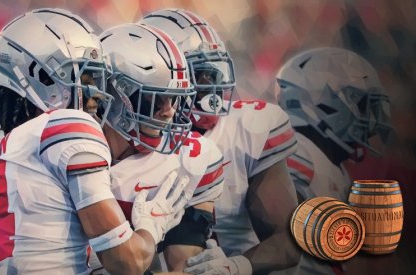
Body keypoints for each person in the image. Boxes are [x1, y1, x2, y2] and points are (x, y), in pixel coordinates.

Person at [0, 9, 191, 274]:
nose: (97, 91)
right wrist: (151, 227)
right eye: (85, 76)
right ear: (40, 75)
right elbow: (126, 262)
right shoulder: (70, 128)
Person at [140, 9, 300, 275]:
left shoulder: (247, 128)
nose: (210, 86)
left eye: (212, 73)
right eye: (197, 74)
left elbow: (290, 239)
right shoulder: (128, 136)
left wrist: (236, 266)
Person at [87, 23, 225, 274]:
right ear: (112, 94)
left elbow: (184, 267)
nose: (169, 110)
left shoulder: (184, 160)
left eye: (172, 97)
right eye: (154, 97)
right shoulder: (67, 143)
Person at [274, 47, 393, 274]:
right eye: (360, 105)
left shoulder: (331, 167)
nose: (368, 120)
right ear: (323, 104)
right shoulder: (297, 157)